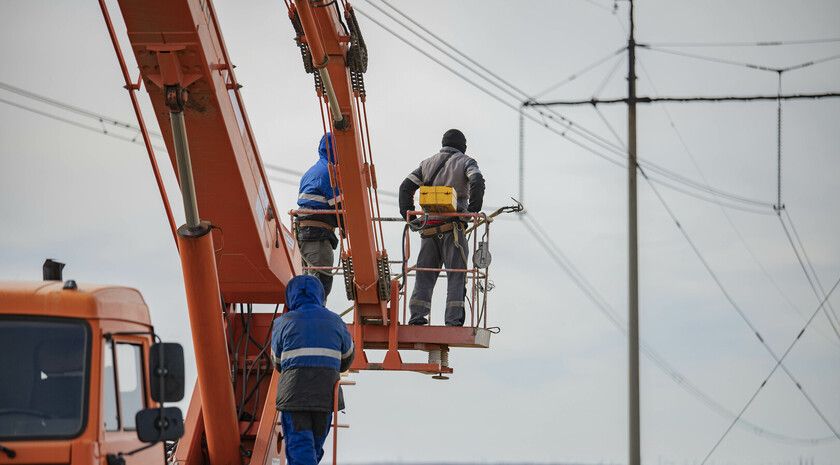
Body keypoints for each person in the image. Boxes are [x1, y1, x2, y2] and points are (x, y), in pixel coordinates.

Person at [398, 129, 485, 326]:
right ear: (462, 145)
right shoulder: (466, 162)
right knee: (456, 275)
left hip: (428, 230)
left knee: (423, 275)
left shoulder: (426, 164)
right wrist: (472, 211)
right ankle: (453, 321)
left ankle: (417, 318)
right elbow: (477, 181)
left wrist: (410, 217)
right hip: (453, 230)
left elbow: (405, 187)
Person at [271, 275, 354, 465]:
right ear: (320, 295)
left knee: (300, 447)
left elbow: (277, 362)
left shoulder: (282, 322)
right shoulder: (336, 321)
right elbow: (347, 357)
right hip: (326, 397)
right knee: (314, 449)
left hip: (294, 396)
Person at [296, 133, 342, 300]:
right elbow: (339, 205)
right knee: (321, 280)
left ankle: (306, 314)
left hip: (305, 233)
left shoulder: (312, 171)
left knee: (309, 280)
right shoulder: (330, 172)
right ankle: (315, 315)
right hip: (317, 235)